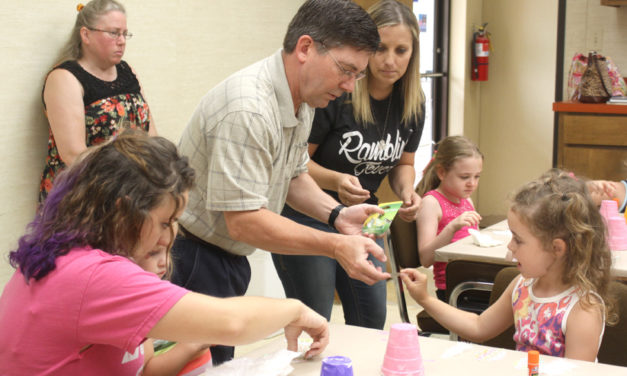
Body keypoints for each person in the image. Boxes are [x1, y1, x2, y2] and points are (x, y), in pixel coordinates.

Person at [0, 131, 328, 375]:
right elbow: (232, 323)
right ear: (124, 211)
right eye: (164, 222)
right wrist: (295, 308)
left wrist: (197, 337)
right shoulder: (94, 275)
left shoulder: (66, 256)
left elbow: (142, 367)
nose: (167, 238)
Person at [171, 0, 389, 364]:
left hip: (225, 256)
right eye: (346, 70)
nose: (350, 86)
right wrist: (335, 245)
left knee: (220, 362)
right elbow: (243, 220)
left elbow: (292, 175)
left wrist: (337, 215)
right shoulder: (249, 108)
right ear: (305, 48)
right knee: (200, 367)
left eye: (358, 75)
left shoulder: (301, 100)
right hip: (193, 255)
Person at [272, 0, 425, 330]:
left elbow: (403, 163)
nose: (389, 60)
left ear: (413, 52)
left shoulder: (413, 102)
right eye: (381, 48)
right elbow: (295, 164)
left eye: (401, 50)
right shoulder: (337, 94)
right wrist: (336, 179)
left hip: (366, 220)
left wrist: (407, 189)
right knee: (315, 321)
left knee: (371, 321)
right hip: (307, 215)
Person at [401, 169, 616, 361]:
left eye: (518, 240)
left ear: (557, 249)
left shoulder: (582, 310)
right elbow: (478, 326)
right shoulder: (522, 285)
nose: (510, 247)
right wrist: (425, 299)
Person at [39, 0, 155, 202]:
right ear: (86, 35)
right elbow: (73, 154)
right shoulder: (64, 78)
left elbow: (151, 135)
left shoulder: (127, 72)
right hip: (82, 198)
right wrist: (123, 187)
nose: (122, 41)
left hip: (131, 192)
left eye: (124, 34)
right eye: (113, 33)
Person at [414, 135, 483, 300]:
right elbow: (426, 258)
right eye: (464, 177)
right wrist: (451, 228)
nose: (472, 183)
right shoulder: (431, 203)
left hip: (473, 279)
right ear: (442, 172)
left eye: (477, 176)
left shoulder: (466, 200)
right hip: (455, 288)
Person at [133, 245, 212, 375]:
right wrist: (194, 344)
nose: (165, 261)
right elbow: (148, 372)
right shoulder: (139, 308)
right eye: (153, 253)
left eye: (168, 250)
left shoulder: (163, 290)